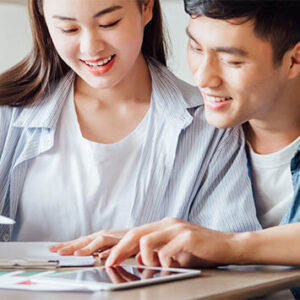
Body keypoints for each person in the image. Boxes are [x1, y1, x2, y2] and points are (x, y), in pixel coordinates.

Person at [0, 0, 260, 244]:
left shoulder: (210, 125)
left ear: (146, 7)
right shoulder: (8, 112)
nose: (91, 47)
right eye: (68, 29)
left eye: (109, 23)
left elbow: (230, 260)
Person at [103, 0, 300, 271]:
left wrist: (229, 246)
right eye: (196, 48)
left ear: (294, 59)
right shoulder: (196, 134)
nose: (204, 78)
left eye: (231, 60)